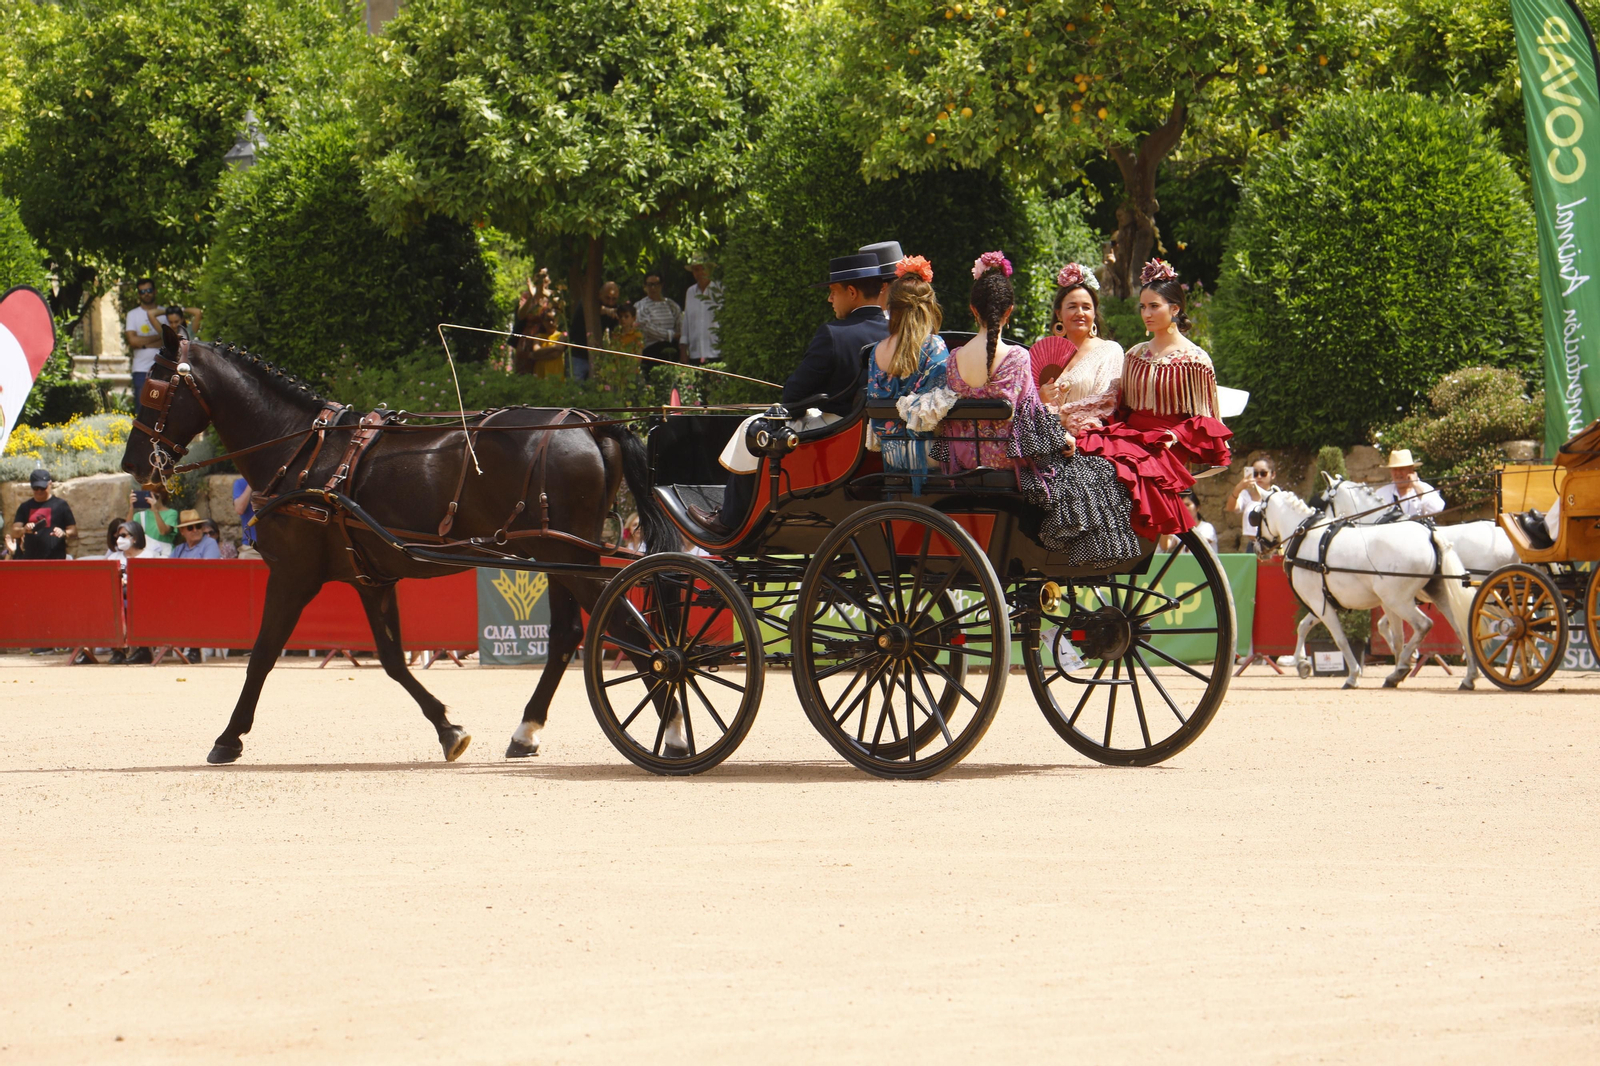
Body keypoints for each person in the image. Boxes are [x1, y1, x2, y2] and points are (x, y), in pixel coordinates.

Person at [932, 253, 1140, 565]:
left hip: (963, 459)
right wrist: (1061, 438)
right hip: (1009, 460)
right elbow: (1033, 416)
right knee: (1092, 476)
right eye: (1072, 306)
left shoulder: (954, 358)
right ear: (1010, 312)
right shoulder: (1017, 356)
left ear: (973, 310)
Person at [689, 252, 891, 536]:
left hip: (840, 435)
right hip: (883, 436)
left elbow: (792, 398)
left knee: (754, 427)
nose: (829, 300)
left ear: (852, 292)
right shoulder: (897, 332)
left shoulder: (833, 334)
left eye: (833, 292)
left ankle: (731, 519)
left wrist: (799, 409)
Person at [1076, 259, 1232, 542]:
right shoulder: (1134, 354)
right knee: (1083, 457)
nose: (1146, 313)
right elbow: (1121, 409)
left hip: (1165, 445)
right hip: (1129, 436)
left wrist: (1176, 435)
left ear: (1175, 309)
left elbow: (1205, 420)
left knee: (1115, 466)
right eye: (1142, 307)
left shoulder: (1195, 360)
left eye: (1153, 306)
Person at [866, 256, 949, 486]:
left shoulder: (877, 350)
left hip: (891, 453)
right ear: (929, 306)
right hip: (928, 453)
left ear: (891, 307)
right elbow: (943, 403)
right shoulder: (934, 345)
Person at [1034, 262, 1126, 438]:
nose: (1080, 313)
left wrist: (1061, 418)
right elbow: (1028, 404)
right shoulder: (1047, 353)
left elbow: (1104, 404)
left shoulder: (1109, 351)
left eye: (1086, 307)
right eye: (1072, 306)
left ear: (1094, 313)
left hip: (1089, 441)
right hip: (1046, 442)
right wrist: (1040, 398)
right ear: (1059, 314)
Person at [11, 468, 76, 559]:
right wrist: (24, 530)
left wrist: (64, 533)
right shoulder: (25, 507)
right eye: (35, 488)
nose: (39, 491)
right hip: (30, 559)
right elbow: (14, 532)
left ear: (50, 484)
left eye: (42, 487)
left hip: (56, 559)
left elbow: (73, 531)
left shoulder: (61, 505)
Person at [124, 277, 166, 401]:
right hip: (141, 370)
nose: (146, 294)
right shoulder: (132, 315)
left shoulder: (165, 313)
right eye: (142, 292)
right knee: (142, 412)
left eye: (148, 290)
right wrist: (160, 336)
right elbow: (132, 341)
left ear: (155, 291)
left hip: (164, 368)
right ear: (138, 294)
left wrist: (143, 343)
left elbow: (169, 341)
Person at [1225, 455, 1276, 552]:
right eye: (1255, 473)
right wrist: (1238, 488)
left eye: (1263, 473)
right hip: (1253, 545)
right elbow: (1231, 508)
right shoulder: (1246, 494)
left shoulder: (1276, 495)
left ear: (1272, 475)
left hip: (1272, 546)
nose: (1259, 477)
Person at [1374, 449, 1445, 516]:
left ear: (1411, 470)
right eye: (1395, 469)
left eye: (1402, 469)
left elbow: (1437, 509)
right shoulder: (1381, 493)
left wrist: (1416, 487)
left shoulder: (1424, 488)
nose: (1398, 473)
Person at [636, 272, 683, 364]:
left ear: (661, 285)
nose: (653, 288)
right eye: (650, 285)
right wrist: (671, 335)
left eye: (656, 284)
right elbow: (647, 328)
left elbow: (679, 324)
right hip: (652, 349)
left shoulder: (671, 305)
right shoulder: (641, 306)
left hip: (672, 347)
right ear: (645, 286)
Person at [682, 260, 722, 366]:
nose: (700, 273)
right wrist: (683, 349)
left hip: (718, 353)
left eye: (703, 268)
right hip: (695, 353)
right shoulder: (690, 292)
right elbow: (686, 321)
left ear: (710, 270)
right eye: (696, 270)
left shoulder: (720, 290)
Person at [126, 488, 177, 556]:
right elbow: (127, 530)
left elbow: (163, 531)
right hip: (146, 555)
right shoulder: (141, 515)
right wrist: (131, 507)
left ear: (161, 496)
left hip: (164, 554)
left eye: (154, 496)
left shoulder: (171, 513)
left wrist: (155, 510)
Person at [233, 476, 259, 557]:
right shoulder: (240, 483)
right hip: (250, 548)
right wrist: (251, 483)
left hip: (274, 547)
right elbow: (239, 509)